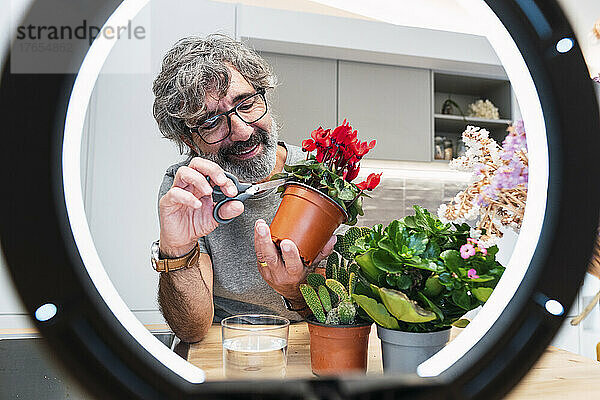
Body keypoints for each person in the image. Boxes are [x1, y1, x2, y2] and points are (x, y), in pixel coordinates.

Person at [150, 34, 336, 343]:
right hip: (229, 344)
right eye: (211, 122)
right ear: (188, 140)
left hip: (314, 341)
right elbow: (191, 330)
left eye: (246, 104)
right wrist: (176, 250)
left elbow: (349, 308)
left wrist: (296, 291)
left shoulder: (321, 174)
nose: (242, 131)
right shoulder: (187, 189)